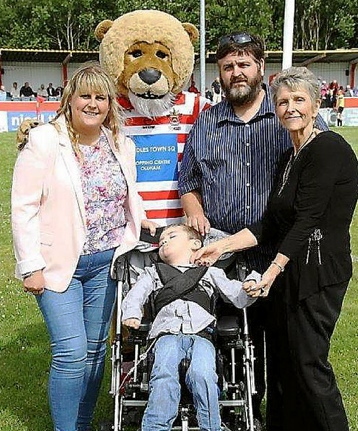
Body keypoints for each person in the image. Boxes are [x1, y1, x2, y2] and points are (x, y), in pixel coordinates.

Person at [191, 67, 358, 431]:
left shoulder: (329, 148)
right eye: (283, 101)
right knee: (282, 363)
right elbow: (273, 224)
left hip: (317, 272)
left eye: (299, 100)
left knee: (308, 364)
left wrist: (271, 271)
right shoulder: (289, 157)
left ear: (316, 105)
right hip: (290, 270)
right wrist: (222, 246)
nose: (290, 108)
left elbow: (308, 220)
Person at [178, 31, 328, 427]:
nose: (236, 72)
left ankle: (277, 415)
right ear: (219, 73)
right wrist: (193, 207)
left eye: (244, 64)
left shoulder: (288, 114)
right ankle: (230, 412)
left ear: (261, 68)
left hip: (280, 253)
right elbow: (187, 178)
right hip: (222, 254)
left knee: (281, 346)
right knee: (226, 342)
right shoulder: (206, 123)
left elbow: (322, 173)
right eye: (228, 66)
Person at [11, 61, 157, 431]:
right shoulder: (44, 140)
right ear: (70, 100)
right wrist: (31, 265)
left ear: (110, 104)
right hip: (58, 264)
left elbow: (127, 193)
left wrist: (141, 220)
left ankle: (83, 423)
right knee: (71, 353)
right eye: (85, 96)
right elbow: (23, 206)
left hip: (107, 264)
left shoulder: (121, 143)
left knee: (94, 354)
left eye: (101, 97)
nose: (93, 104)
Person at [122, 223, 261, 431]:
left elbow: (236, 296)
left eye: (172, 236)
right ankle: (155, 427)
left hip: (202, 335)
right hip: (166, 334)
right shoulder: (153, 273)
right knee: (163, 374)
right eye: (161, 242)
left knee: (203, 374)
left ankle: (211, 426)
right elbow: (136, 294)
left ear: (195, 243)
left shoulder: (209, 272)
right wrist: (132, 313)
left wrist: (251, 286)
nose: (164, 241)